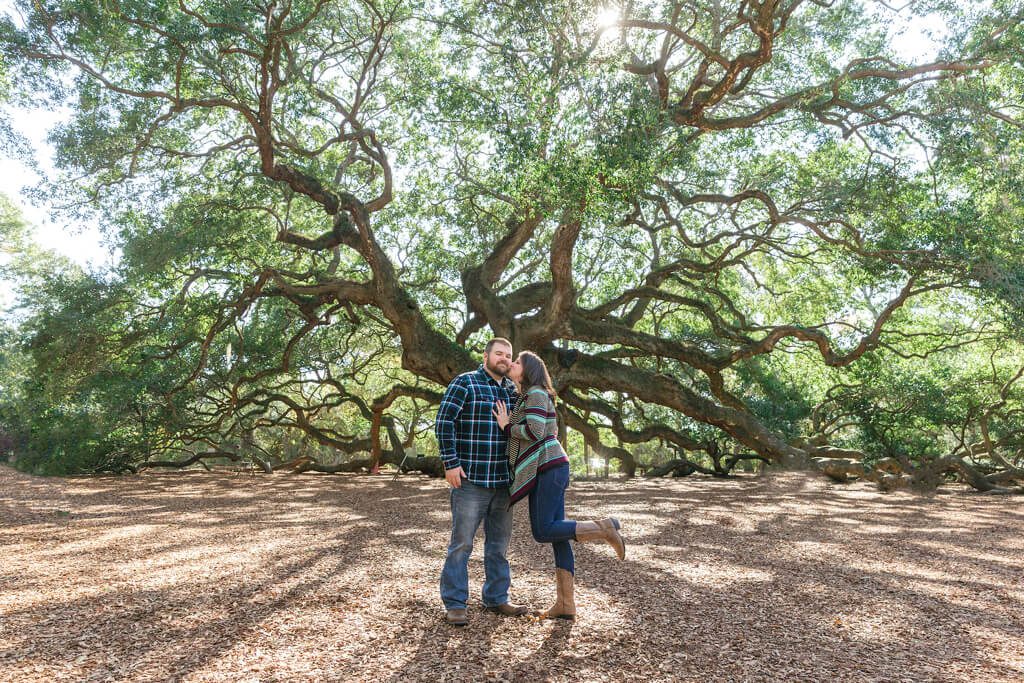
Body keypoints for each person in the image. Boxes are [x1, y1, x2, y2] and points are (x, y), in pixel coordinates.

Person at [493, 350, 625, 621]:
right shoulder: (527, 396)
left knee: (543, 531)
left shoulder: (536, 394)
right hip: (550, 467)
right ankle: (565, 604)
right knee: (558, 535)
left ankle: (604, 528)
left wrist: (507, 427)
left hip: (548, 468)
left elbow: (535, 432)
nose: (512, 364)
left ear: (528, 369)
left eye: (517, 362)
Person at [436, 338, 530, 626]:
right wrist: (450, 463)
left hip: (503, 483)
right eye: (499, 354)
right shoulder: (465, 382)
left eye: (509, 356)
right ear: (486, 355)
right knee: (462, 544)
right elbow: (444, 422)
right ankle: (455, 603)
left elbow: (523, 428)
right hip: (470, 481)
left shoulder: (512, 392)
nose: (504, 359)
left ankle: (496, 597)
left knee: (499, 546)